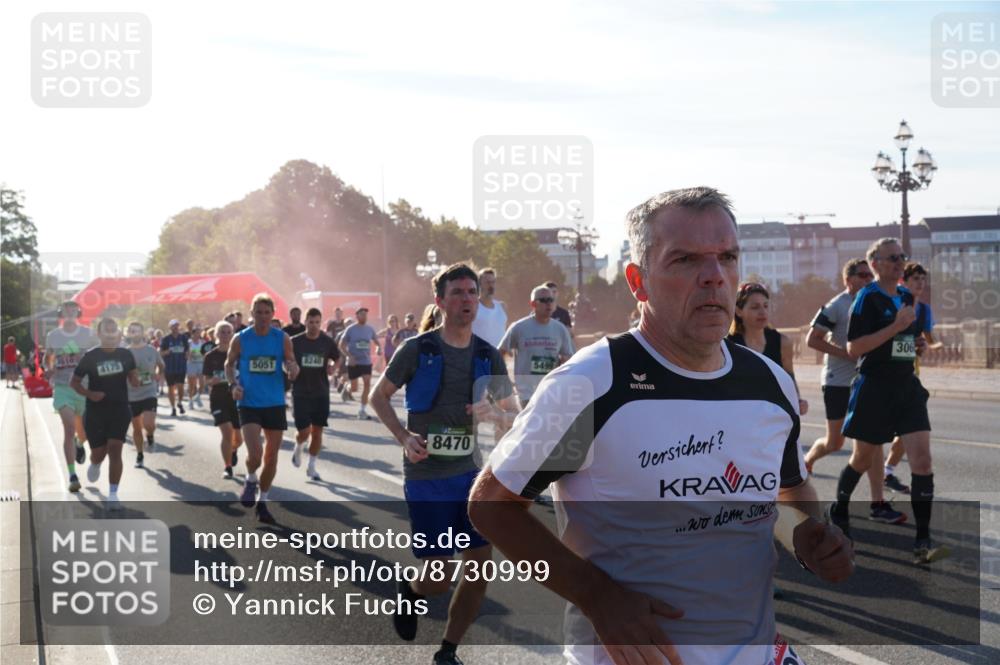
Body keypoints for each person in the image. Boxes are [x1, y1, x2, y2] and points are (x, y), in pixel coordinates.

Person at [468, 187, 853, 665]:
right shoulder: (595, 384)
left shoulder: (768, 382)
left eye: (727, 257)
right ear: (638, 280)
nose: (714, 277)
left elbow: (789, 490)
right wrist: (597, 596)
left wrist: (808, 537)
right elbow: (492, 507)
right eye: (685, 260)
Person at [370, 263, 519, 665]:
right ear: (440, 301)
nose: (467, 299)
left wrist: (495, 415)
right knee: (438, 578)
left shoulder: (488, 356)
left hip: (471, 476)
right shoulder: (417, 350)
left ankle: (448, 651)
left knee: (479, 570)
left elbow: (514, 414)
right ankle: (411, 591)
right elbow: (378, 397)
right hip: (426, 477)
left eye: (472, 292)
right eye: (457, 293)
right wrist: (403, 437)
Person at [831, 238, 948, 565]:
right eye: (892, 257)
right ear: (875, 264)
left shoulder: (908, 296)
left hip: (906, 387)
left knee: (922, 461)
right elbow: (855, 349)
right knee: (862, 458)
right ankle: (839, 507)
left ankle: (922, 540)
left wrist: (915, 345)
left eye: (902, 256)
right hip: (875, 387)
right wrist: (896, 326)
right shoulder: (866, 300)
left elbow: (909, 340)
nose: (899, 262)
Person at [803, 259, 905, 521]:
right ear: (848, 280)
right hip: (837, 380)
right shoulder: (837, 305)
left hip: (867, 381)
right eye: (861, 275)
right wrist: (847, 355)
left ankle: (877, 504)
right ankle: (808, 460)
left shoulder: (876, 301)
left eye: (869, 275)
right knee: (835, 442)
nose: (867, 279)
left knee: (872, 442)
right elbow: (812, 339)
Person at [225, 294, 299, 524]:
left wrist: (292, 368)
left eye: (267, 312)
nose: (263, 317)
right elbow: (229, 364)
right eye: (259, 312)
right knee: (255, 454)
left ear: (273, 314)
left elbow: (290, 361)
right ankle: (249, 478)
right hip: (249, 402)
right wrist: (233, 384)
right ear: (252, 314)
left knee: (271, 457)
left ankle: (263, 501)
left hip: (275, 402)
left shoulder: (282, 338)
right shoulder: (241, 338)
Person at [882, 261, 943, 493]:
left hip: (911, 375)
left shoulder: (925, 310)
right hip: (885, 375)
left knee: (912, 428)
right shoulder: (893, 305)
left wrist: (932, 345)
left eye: (922, 279)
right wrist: (911, 343)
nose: (920, 283)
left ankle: (887, 473)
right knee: (873, 437)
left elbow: (928, 338)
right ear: (903, 282)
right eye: (915, 278)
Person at [70, 318, 140, 510]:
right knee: (99, 453)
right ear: (99, 334)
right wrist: (90, 394)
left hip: (120, 409)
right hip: (96, 411)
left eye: (113, 330)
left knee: (115, 449)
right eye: (106, 330)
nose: (110, 333)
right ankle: (95, 463)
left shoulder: (126, 354)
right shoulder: (91, 356)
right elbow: (74, 383)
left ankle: (113, 494)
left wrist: (135, 380)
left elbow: (133, 375)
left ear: (117, 333)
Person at [727, 282, 808, 417]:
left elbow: (789, 376)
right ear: (739, 311)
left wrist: (798, 400)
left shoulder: (782, 342)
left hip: (774, 416)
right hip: (740, 415)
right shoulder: (728, 344)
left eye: (765, 306)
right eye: (755, 307)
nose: (762, 312)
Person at [45, 301, 97, 492]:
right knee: (68, 428)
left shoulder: (88, 333)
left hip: (83, 387)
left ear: (78, 312)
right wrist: (48, 369)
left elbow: (97, 355)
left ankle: (79, 443)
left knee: (82, 431)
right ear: (61, 313)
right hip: (62, 388)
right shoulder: (53, 335)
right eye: (66, 309)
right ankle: (72, 475)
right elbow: (48, 357)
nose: (69, 312)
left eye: (72, 309)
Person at [498, 284, 575, 408]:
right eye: (543, 300)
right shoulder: (519, 327)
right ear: (533, 304)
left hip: (551, 391)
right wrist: (503, 380)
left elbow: (568, 359)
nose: (548, 304)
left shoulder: (560, 329)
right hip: (527, 393)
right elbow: (500, 353)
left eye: (551, 300)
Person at [290, 308, 342, 480]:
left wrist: (334, 367)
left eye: (317, 322)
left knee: (317, 431)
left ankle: (311, 467)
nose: (314, 326)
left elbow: (338, 357)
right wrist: (290, 368)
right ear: (305, 322)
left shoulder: (327, 341)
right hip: (300, 392)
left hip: (320, 392)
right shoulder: (295, 342)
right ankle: (298, 446)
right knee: (304, 432)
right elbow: (286, 359)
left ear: (321, 323)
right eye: (311, 322)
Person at [204, 320, 243, 479]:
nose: (226, 335)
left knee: (238, 440)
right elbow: (206, 379)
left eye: (228, 332)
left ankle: (233, 450)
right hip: (218, 398)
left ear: (232, 334)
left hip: (237, 398)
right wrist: (211, 381)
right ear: (216, 335)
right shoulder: (210, 356)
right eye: (222, 332)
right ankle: (227, 467)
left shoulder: (240, 354)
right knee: (227, 433)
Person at [125, 322, 164, 468]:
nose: (135, 334)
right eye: (132, 331)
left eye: (137, 331)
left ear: (142, 334)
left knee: (148, 423)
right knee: (136, 428)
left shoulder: (151, 350)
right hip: (131, 394)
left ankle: (150, 435)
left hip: (149, 391)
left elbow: (161, 365)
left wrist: (159, 375)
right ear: (129, 334)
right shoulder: (126, 352)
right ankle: (140, 455)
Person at [339, 307, 380, 420]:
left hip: (366, 361)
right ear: (357, 316)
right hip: (353, 362)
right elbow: (341, 345)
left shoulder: (370, 329)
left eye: (366, 314)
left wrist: (378, 348)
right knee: (354, 388)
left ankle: (362, 410)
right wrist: (349, 356)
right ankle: (347, 388)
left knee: (367, 383)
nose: (364, 316)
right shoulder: (350, 329)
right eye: (362, 314)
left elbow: (376, 342)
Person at [470, 267, 507, 347]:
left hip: (499, 357)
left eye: (493, 282)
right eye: (487, 282)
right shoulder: (473, 306)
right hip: (479, 356)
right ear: (479, 284)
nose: (491, 286)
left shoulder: (502, 306)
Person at [160, 319, 189, 416]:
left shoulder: (183, 338)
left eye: (177, 325)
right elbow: (161, 353)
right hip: (169, 367)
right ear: (170, 327)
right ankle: (173, 408)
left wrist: (187, 355)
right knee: (171, 388)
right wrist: (167, 352)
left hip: (181, 366)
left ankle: (180, 402)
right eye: (173, 326)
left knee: (180, 387)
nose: (175, 327)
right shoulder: (166, 339)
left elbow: (187, 350)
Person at [186, 326, 207, 409]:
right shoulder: (189, 342)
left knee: (202, 384)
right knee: (192, 384)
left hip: (200, 363)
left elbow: (206, 353)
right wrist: (190, 355)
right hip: (191, 364)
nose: (199, 334)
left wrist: (203, 356)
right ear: (193, 334)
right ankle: (190, 400)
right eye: (197, 333)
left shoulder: (202, 342)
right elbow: (186, 353)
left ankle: (197, 397)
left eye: (200, 333)